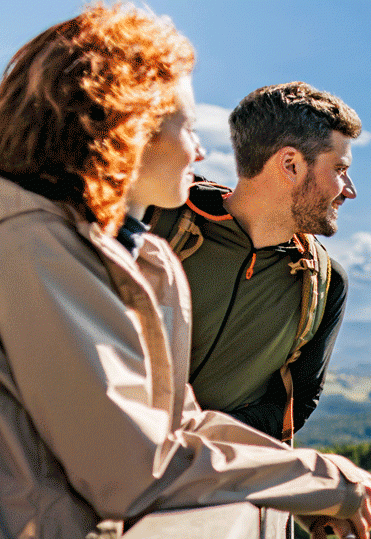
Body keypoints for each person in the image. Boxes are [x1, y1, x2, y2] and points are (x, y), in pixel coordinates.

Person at [0, 5, 371, 539]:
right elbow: (135, 468)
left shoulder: (126, 255)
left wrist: (324, 479)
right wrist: (320, 478)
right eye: (187, 128)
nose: (200, 154)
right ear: (127, 126)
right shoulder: (32, 251)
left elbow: (180, 421)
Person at [147, 81, 358, 442]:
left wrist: (194, 440)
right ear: (290, 164)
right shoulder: (159, 218)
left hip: (206, 485)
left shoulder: (324, 282)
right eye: (339, 169)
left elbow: (294, 405)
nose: (349, 189)